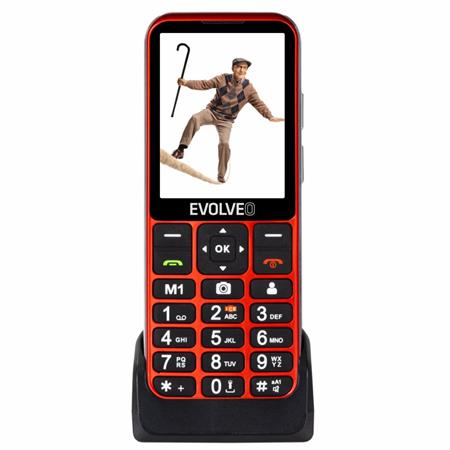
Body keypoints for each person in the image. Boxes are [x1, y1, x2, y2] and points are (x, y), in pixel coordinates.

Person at [172, 58, 284, 183]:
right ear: (233, 68)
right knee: (195, 118)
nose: (241, 70)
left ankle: (221, 175)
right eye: (239, 67)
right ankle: (181, 149)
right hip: (212, 112)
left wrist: (270, 116)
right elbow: (204, 84)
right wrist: (186, 83)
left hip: (226, 121)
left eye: (244, 68)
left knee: (224, 144)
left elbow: (259, 104)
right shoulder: (222, 79)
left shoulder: (248, 88)